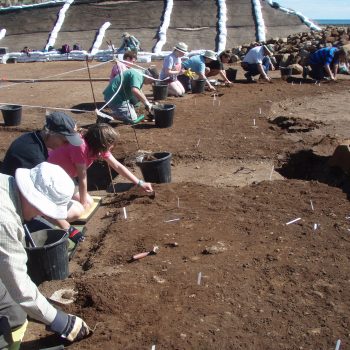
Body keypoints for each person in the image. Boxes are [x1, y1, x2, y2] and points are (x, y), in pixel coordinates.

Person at [0, 162, 91, 349]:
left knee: (14, 312)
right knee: (5, 331)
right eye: (45, 210)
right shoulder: (5, 221)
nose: (43, 215)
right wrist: (61, 321)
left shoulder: (6, 183)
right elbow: (20, 287)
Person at [1, 111, 85, 242]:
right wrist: (68, 229)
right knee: (75, 211)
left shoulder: (33, 139)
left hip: (22, 198)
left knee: (77, 208)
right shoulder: (33, 155)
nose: (66, 145)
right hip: (16, 205)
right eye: (65, 141)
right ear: (50, 133)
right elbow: (40, 198)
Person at [48, 123, 153, 215]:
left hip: (67, 177)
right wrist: (83, 204)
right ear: (102, 144)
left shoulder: (97, 146)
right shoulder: (80, 147)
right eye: (110, 145)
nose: (111, 148)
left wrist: (140, 183)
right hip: (52, 177)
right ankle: (47, 210)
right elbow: (82, 178)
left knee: (88, 202)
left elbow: (117, 165)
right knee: (80, 208)